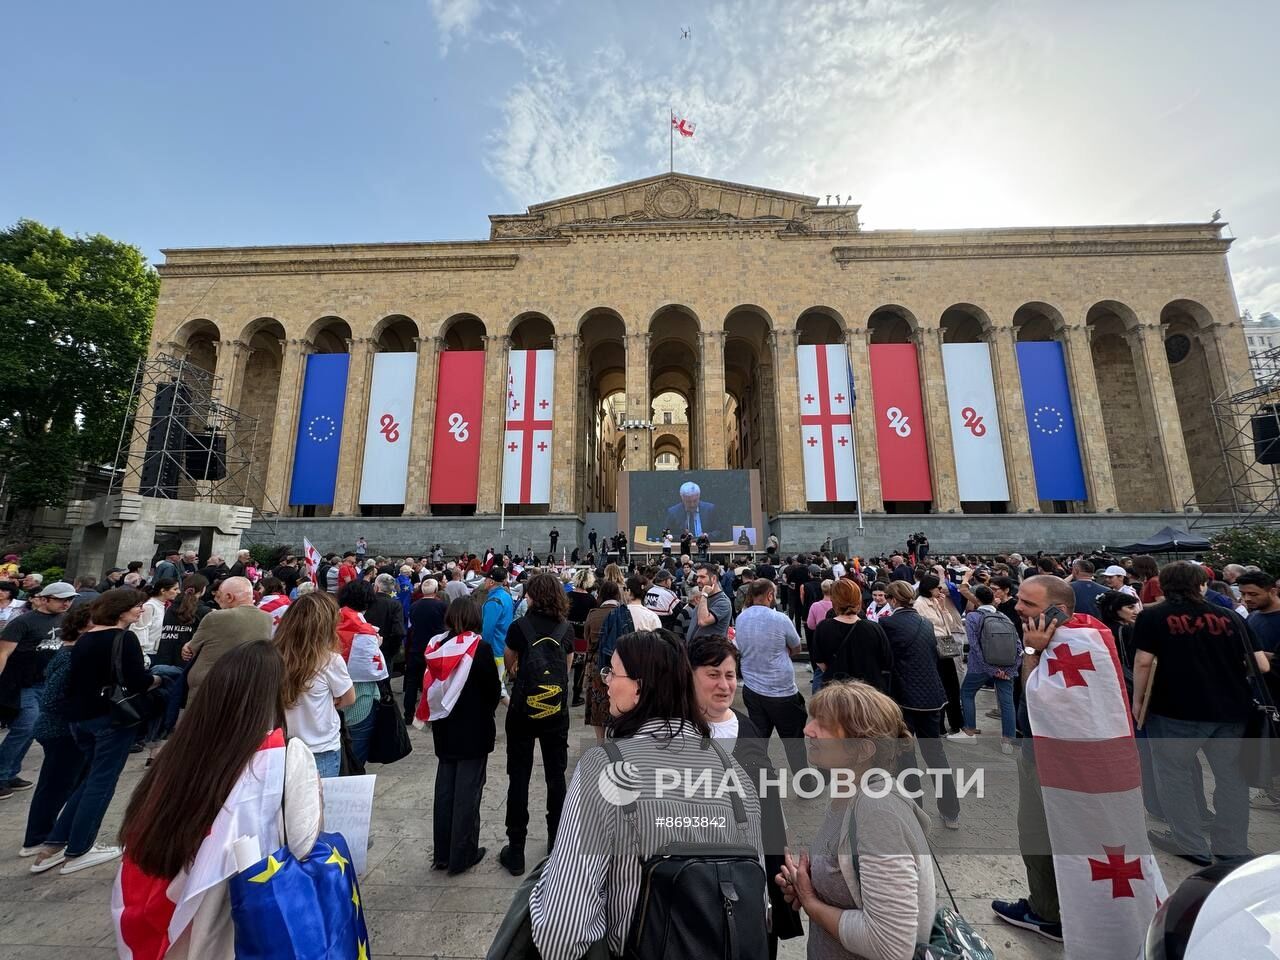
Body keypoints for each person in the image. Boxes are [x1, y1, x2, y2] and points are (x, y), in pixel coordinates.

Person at [529, 629, 766, 960]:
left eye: (612, 671)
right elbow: (757, 896)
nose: (606, 682)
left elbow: (563, 929)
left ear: (640, 687)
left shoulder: (605, 767)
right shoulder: (735, 771)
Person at [114, 641, 318, 960]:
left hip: (171, 914)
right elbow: (304, 844)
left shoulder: (178, 751)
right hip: (237, 918)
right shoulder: (287, 755)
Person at [776, 681, 937, 959]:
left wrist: (811, 902)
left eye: (824, 725)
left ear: (862, 749)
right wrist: (810, 881)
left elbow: (890, 946)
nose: (807, 729)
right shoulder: (848, 794)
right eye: (813, 718)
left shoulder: (878, 811)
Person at [1132, 561, 1268, 865]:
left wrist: (1138, 702)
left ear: (1164, 586)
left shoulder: (1153, 616)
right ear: (1201, 585)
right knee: (1233, 779)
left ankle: (1190, 842)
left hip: (1174, 710)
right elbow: (1261, 665)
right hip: (1231, 709)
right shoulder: (1230, 616)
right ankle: (1232, 845)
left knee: (1174, 776)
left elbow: (1143, 663)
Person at [29, 588, 168, 874]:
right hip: (110, 718)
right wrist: (157, 679)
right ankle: (79, 849)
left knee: (90, 779)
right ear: (121, 610)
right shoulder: (122, 637)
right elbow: (137, 681)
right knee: (101, 783)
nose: (140, 610)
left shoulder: (85, 639)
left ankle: (54, 843)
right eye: (136, 606)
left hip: (81, 718)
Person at [688, 634, 804, 960]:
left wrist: (781, 864)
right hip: (698, 877)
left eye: (730, 675)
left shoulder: (749, 729)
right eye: (713, 675)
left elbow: (769, 809)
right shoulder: (677, 733)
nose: (725, 685)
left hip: (752, 871)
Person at [499, 574, 575, 876]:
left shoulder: (520, 627)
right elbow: (566, 668)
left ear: (532, 596)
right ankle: (556, 842)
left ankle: (516, 848)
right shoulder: (566, 629)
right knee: (556, 775)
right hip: (555, 711)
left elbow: (510, 663)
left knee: (518, 776)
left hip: (522, 711)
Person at [421, 597, 501, 874]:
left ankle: (442, 852)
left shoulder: (436, 646)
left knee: (445, 790)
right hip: (474, 729)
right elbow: (493, 690)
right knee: (467, 793)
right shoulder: (479, 648)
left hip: (445, 728)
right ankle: (462, 854)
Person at [878, 580, 961, 828]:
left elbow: (886, 660)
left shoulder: (887, 624)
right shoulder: (925, 623)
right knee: (936, 755)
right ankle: (951, 811)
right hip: (932, 697)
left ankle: (915, 811)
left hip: (905, 698)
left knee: (906, 756)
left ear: (893, 600)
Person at [20, 603, 93, 857]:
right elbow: (51, 699)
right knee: (54, 786)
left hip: (64, 729)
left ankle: (55, 833)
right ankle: (37, 838)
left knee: (66, 783)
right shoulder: (70, 655)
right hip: (60, 730)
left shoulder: (71, 652)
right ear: (85, 626)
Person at [0, 581, 75, 798]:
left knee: (32, 729)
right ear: (44, 599)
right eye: (61, 599)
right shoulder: (23, 622)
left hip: (50, 683)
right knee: (26, 726)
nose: (66, 603)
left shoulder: (67, 620)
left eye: (69, 599)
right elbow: (3, 653)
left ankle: (10, 772)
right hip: (23, 683)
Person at [276, 592, 355, 778]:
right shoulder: (329, 660)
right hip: (320, 746)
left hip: (282, 745)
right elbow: (349, 698)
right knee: (319, 804)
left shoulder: (272, 654)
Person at [735, 578, 808, 773]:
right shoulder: (780, 619)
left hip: (752, 688)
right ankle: (804, 780)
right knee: (793, 741)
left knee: (759, 738)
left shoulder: (741, 618)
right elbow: (796, 646)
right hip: (781, 691)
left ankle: (758, 774)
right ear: (769, 595)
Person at [949, 584, 1020, 751]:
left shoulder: (973, 617)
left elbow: (974, 646)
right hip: (1006, 666)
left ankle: (969, 731)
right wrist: (1010, 669)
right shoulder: (1003, 616)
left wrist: (990, 669)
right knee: (1007, 701)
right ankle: (1007, 741)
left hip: (979, 666)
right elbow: (1017, 644)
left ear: (977, 600)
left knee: (967, 693)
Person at [180, 577, 272, 705]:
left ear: (229, 597)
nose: (217, 600)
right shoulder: (267, 618)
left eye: (219, 596)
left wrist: (187, 645)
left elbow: (192, 649)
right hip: (247, 685)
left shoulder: (216, 616)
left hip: (209, 687)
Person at [813, 578, 893, 698]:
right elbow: (887, 662)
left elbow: (820, 662)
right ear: (858, 600)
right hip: (869, 693)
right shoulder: (874, 628)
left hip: (837, 692)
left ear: (834, 600)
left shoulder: (823, 628)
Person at [335, 580, 385, 767]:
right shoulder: (364, 630)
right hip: (360, 699)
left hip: (333, 696)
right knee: (355, 756)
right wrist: (377, 646)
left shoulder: (330, 622)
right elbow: (375, 670)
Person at [913, 574, 965, 734]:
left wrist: (943, 607)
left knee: (952, 684)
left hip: (945, 641)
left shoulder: (937, 601)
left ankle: (956, 722)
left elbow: (948, 622)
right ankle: (940, 724)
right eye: (937, 587)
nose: (940, 590)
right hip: (934, 645)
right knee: (941, 684)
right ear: (930, 588)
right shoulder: (919, 604)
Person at [582, 579, 620, 740]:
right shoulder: (623, 614)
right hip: (618, 663)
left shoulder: (593, 614)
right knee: (617, 699)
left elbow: (586, 637)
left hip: (596, 663)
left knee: (597, 703)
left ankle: (600, 742)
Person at [405, 578, 448, 723]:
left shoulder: (414, 606)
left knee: (412, 682)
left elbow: (410, 626)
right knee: (433, 682)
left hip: (416, 646)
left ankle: (408, 714)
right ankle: (432, 712)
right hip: (434, 648)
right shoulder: (441, 606)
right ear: (436, 591)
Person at [565, 568, 597, 707]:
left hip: (566, 634)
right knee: (579, 667)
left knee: (564, 664)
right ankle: (576, 696)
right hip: (582, 636)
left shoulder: (567, 596)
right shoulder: (591, 600)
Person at [686, 562, 733, 642]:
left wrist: (704, 595)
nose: (698, 581)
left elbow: (703, 621)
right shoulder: (706, 597)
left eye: (702, 577)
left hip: (710, 651)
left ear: (713, 579)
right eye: (697, 577)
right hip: (695, 649)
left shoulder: (723, 602)